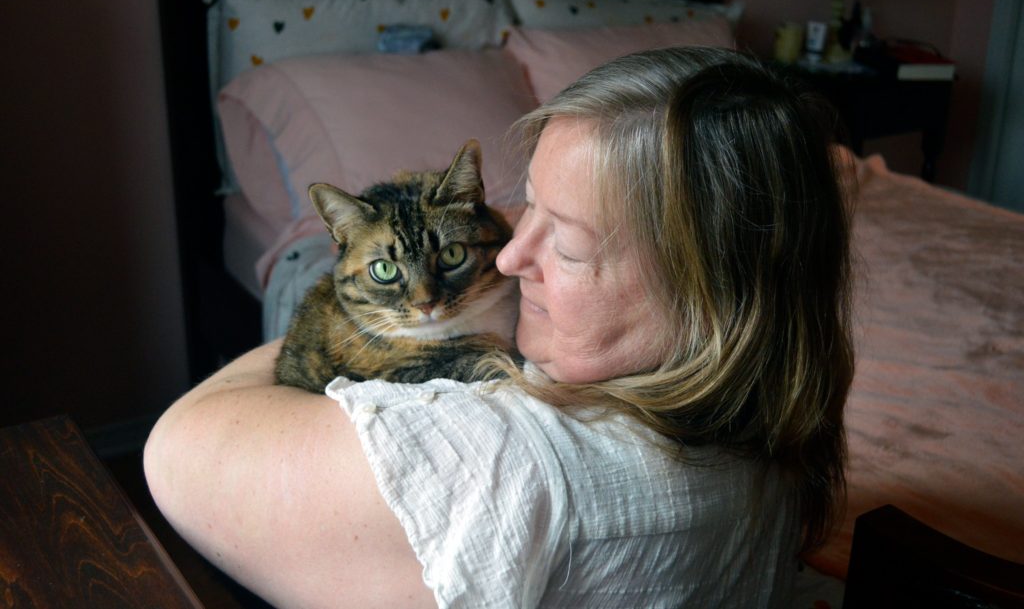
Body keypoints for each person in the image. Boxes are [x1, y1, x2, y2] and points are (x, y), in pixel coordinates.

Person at [144, 46, 854, 608]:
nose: (511, 256)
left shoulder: (509, 458)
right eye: (527, 207)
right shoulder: (776, 405)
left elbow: (174, 445)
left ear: (712, 293)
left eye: (569, 245)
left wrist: (336, 318)